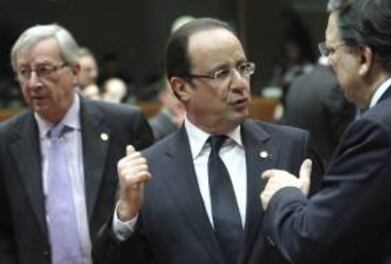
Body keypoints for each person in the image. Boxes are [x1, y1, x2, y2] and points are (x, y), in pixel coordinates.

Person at [94, 18, 322, 264]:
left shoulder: (292, 148)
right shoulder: (149, 171)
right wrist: (126, 216)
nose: (240, 83)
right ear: (181, 88)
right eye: (221, 73)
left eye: (243, 68)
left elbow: (329, 244)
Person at [260, 0, 391, 263]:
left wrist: (284, 194)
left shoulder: (380, 129)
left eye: (332, 50)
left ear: (364, 58)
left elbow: (311, 241)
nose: (329, 61)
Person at [0, 24, 154, 264]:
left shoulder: (124, 125)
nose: (33, 83)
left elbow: (152, 214)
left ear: (74, 71)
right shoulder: (6, 140)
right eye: (23, 72)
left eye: (44, 70)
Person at [281, 56, 355, 167]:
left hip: (299, 166)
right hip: (330, 169)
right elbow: (348, 139)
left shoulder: (297, 81)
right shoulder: (335, 85)